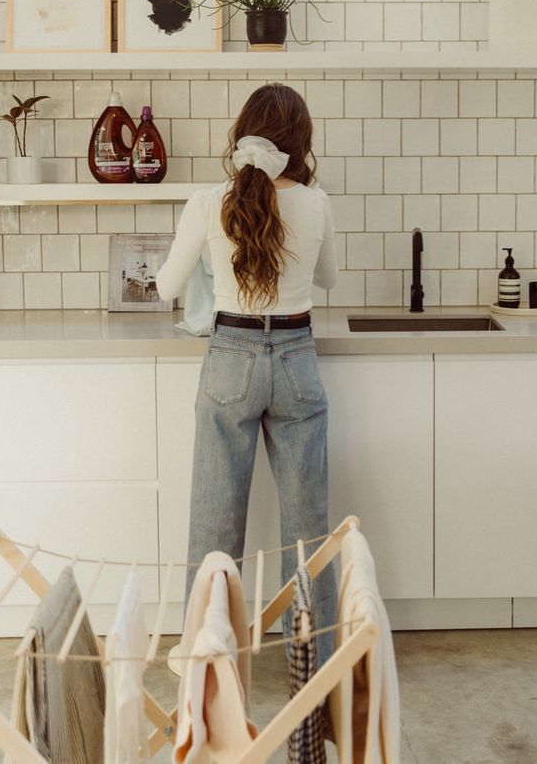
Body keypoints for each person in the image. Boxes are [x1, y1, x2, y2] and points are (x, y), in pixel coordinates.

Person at [156, 83, 338, 660]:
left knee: (214, 522)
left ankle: (207, 656)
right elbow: (328, 280)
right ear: (301, 142)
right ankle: (311, 661)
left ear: (242, 133)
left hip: (230, 356)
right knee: (307, 525)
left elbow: (165, 286)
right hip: (295, 358)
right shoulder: (317, 202)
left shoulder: (209, 202)